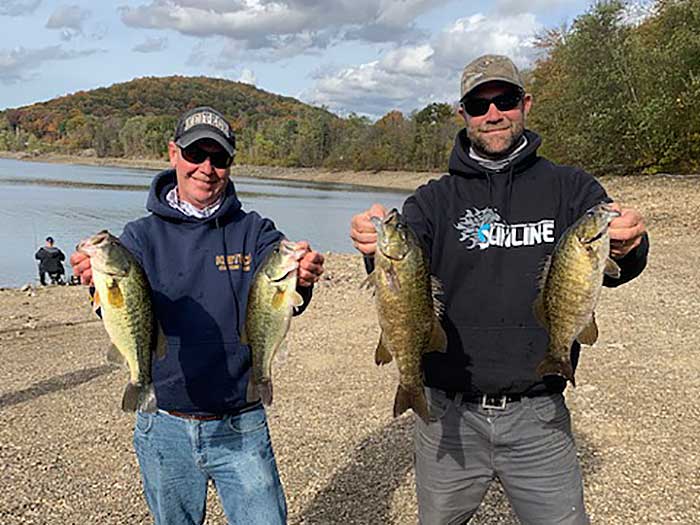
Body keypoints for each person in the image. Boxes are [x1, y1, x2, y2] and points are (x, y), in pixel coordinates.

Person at [350, 54, 649, 524]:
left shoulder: (570, 189)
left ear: (525, 103)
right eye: (478, 104)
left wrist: (631, 243)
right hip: (447, 416)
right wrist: (373, 245)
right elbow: (402, 271)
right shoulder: (433, 200)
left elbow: (618, 260)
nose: (493, 114)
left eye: (504, 100)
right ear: (463, 113)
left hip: (540, 417)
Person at [70, 106, 325, 525]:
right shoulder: (138, 237)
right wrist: (98, 290)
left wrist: (305, 274)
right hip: (163, 423)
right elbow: (125, 314)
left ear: (230, 165)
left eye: (219, 158)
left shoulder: (256, 231)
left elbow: (279, 291)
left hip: (240, 419)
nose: (206, 168)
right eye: (195, 154)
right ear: (173, 154)